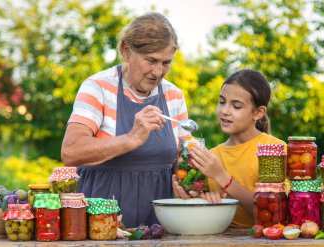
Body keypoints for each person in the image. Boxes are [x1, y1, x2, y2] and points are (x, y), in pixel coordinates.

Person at [61, 12, 190, 228]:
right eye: (151, 60)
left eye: (166, 63)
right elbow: (71, 151)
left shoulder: (173, 94)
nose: (158, 72)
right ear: (126, 51)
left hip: (159, 227)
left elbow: (182, 159)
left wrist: (190, 179)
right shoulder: (98, 88)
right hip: (100, 226)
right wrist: (130, 139)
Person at [173, 69, 286, 228]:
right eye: (222, 101)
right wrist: (193, 197)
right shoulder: (211, 156)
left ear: (258, 112)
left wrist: (222, 177)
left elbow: (273, 213)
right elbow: (199, 215)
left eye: (236, 106)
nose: (225, 111)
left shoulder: (274, 150)